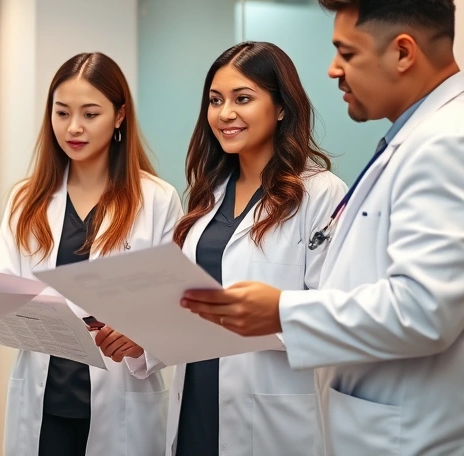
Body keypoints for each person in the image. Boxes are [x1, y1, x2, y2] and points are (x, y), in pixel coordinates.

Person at [182, 0, 464, 456]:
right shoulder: (413, 140)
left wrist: (282, 310)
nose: (333, 69)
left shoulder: (456, 144)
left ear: (402, 52)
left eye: (345, 53)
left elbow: (423, 309)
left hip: (432, 436)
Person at [141, 42, 344, 456]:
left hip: (270, 412)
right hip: (197, 397)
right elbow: (192, 305)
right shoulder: (207, 194)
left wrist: (269, 315)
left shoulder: (320, 193)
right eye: (216, 101)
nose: (225, 113)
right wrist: (142, 337)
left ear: (282, 107)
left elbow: (336, 310)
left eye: (243, 98)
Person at [0, 52, 182, 456]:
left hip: (123, 398)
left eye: (90, 114)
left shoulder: (157, 199)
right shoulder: (27, 200)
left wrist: (141, 338)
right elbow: (0, 289)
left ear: (119, 116)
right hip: (45, 402)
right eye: (62, 113)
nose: (73, 127)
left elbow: (178, 307)